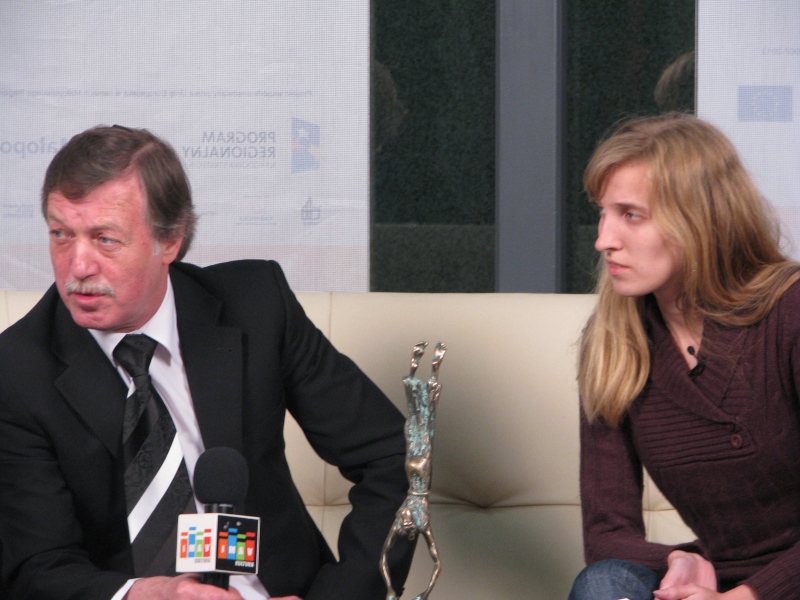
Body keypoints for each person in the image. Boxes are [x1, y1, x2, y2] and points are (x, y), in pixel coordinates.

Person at [0, 125, 413, 600]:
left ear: (170, 240)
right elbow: (37, 567)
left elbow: (393, 457)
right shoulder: (18, 371)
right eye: (60, 234)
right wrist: (150, 594)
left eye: (105, 239)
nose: (78, 266)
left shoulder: (257, 308)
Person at [569, 112, 800, 600]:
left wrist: (747, 597)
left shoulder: (790, 312)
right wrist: (680, 560)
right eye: (603, 213)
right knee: (604, 583)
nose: (604, 239)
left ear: (698, 219)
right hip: (717, 578)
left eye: (631, 215)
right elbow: (606, 534)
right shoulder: (613, 341)